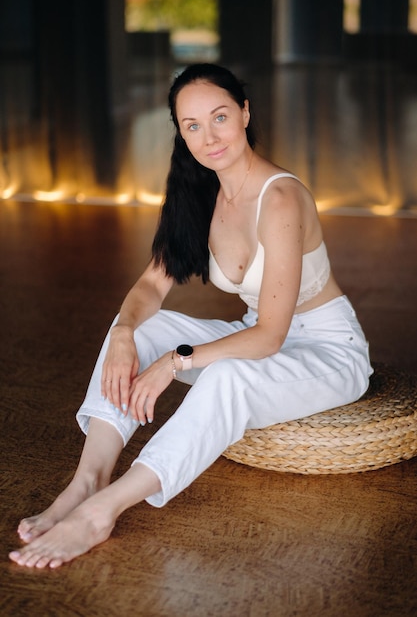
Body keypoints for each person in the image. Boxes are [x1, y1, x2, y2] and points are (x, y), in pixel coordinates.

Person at [9, 63, 373, 569]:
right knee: (144, 328)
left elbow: (271, 336)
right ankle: (87, 481)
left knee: (222, 376)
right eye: (192, 125)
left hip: (326, 348)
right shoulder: (200, 193)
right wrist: (124, 331)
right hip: (255, 332)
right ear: (181, 132)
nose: (209, 136)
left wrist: (175, 362)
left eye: (220, 116)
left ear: (245, 113)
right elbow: (150, 286)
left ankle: (103, 511)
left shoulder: (282, 198)